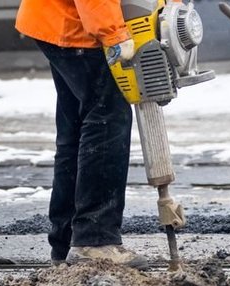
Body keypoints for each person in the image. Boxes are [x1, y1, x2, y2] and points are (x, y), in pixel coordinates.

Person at [15, 0, 147, 269]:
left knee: (76, 128)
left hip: (59, 19)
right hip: (80, 26)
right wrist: (113, 33)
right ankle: (94, 240)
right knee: (107, 121)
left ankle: (66, 241)